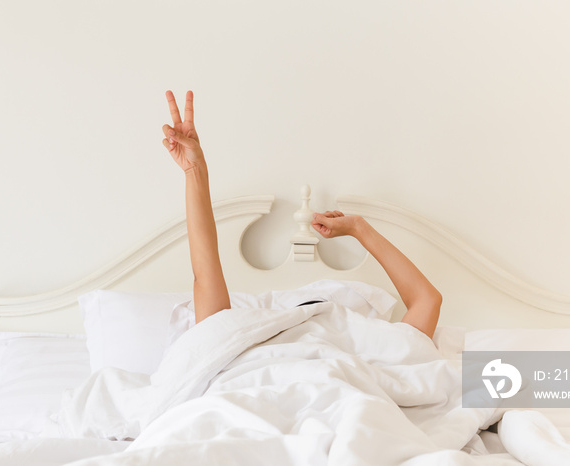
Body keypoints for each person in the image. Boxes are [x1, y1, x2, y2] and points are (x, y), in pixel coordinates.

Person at [161, 90, 442, 338]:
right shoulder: (233, 344)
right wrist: (194, 171)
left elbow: (429, 301)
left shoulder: (367, 355)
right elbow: (427, 300)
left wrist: (359, 227)